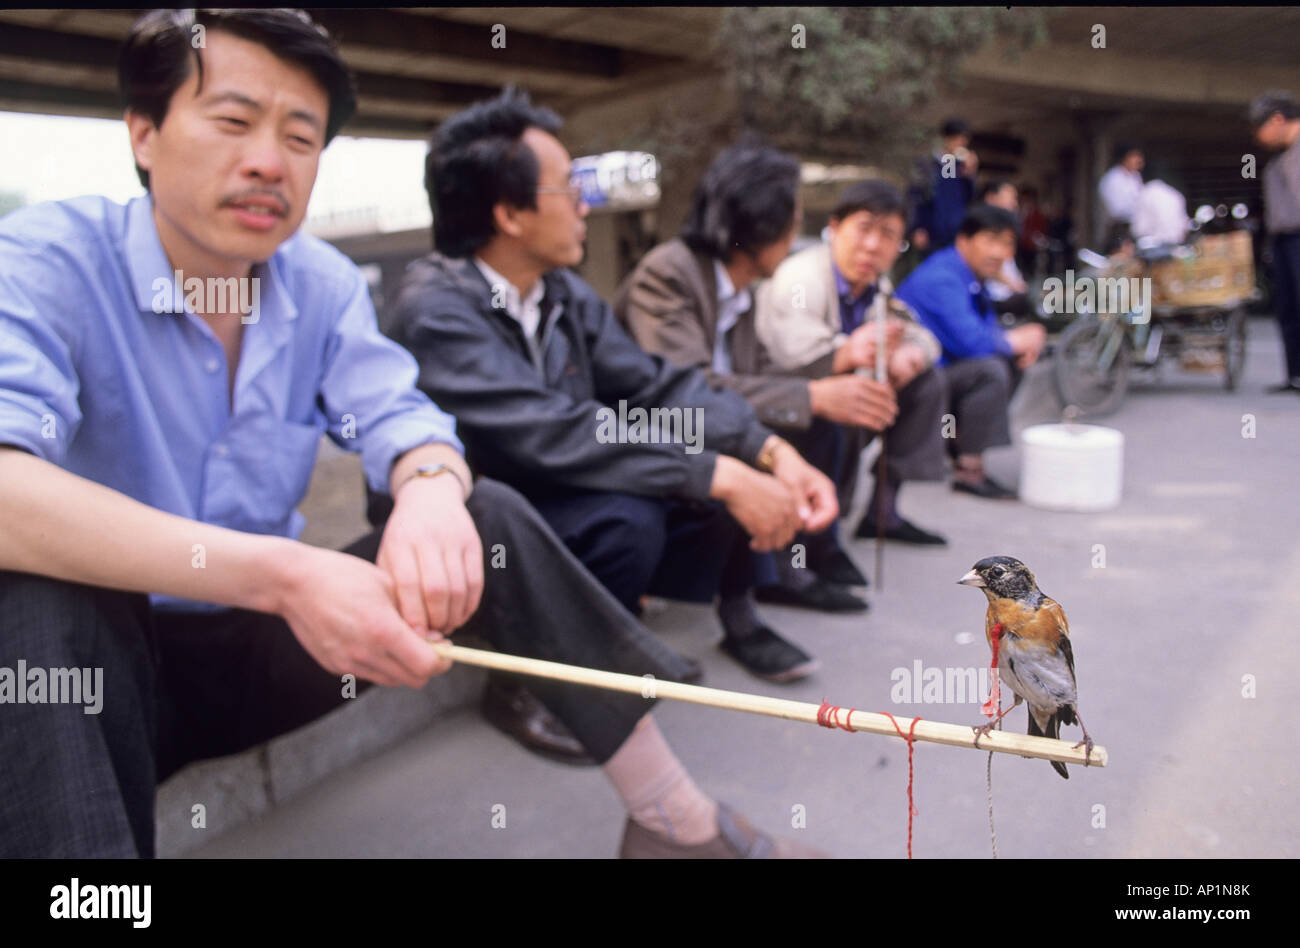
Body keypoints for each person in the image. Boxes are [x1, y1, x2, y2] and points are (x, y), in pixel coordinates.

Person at [0, 9, 817, 859]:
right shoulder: (46, 262)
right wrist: (283, 576)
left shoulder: (322, 284)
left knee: (484, 509)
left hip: (251, 653)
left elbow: (401, 412)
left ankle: (671, 818)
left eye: (302, 136)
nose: (267, 162)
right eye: (234, 120)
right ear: (144, 133)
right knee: (39, 598)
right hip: (99, 680)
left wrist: (430, 485)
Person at [384, 88, 839, 685]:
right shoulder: (437, 310)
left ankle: (615, 639)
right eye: (569, 189)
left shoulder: (561, 293)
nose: (584, 207)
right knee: (631, 518)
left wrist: (764, 449)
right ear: (511, 213)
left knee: (707, 478)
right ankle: (533, 684)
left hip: (557, 486)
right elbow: (549, 430)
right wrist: (717, 474)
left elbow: (653, 387)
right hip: (490, 510)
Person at [614, 141, 866, 613]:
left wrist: (832, 377)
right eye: (793, 222)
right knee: (770, 430)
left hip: (708, 415)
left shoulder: (739, 286)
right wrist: (811, 394)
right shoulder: (667, 274)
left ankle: (802, 557)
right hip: (656, 428)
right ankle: (741, 609)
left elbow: (759, 372)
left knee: (822, 420)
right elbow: (686, 389)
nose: (795, 237)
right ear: (760, 225)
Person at [754, 180, 949, 546]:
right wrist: (849, 351)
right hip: (784, 402)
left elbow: (917, 333)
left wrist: (912, 354)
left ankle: (883, 511)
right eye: (863, 229)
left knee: (926, 383)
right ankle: (815, 540)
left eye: (888, 235)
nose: (873, 245)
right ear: (833, 228)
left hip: (840, 392)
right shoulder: (800, 278)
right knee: (850, 399)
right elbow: (787, 354)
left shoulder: (877, 286)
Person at [895, 204, 1047, 500]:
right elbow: (972, 342)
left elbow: (984, 331)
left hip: (941, 371)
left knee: (1006, 361)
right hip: (914, 380)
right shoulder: (942, 277)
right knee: (991, 369)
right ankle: (969, 469)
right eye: (991, 240)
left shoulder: (971, 277)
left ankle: (958, 442)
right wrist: (1018, 341)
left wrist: (1017, 344)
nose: (1000, 253)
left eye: (1007, 243)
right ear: (963, 240)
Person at [1251, 90, 1300, 394]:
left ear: (1277, 120)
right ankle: (1295, 376)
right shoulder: (1282, 157)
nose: (1258, 137)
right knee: (1288, 307)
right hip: (1284, 240)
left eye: (1260, 128)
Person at [907, 117, 979, 255]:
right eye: (957, 139)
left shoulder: (958, 167)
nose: (960, 144)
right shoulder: (928, 165)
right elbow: (915, 197)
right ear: (946, 139)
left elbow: (969, 199)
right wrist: (917, 227)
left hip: (955, 234)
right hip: (931, 232)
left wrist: (970, 175)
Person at [977, 179, 1031, 318]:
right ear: (991, 198)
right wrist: (1016, 287)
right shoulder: (984, 228)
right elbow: (987, 265)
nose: (1015, 204)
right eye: (1010, 198)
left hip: (1009, 293)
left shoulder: (1003, 227)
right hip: (997, 297)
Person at [1098, 144, 1145, 251]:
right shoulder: (1113, 179)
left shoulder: (1136, 177)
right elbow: (1116, 210)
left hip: (1134, 227)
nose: (1139, 161)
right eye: (1135, 156)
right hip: (1119, 228)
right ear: (1125, 158)